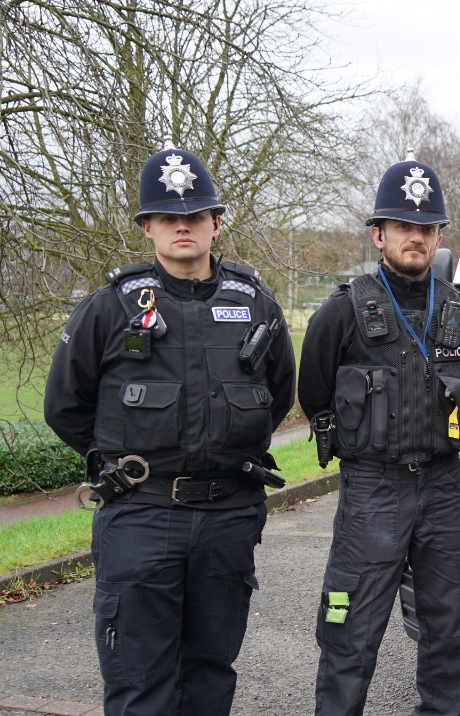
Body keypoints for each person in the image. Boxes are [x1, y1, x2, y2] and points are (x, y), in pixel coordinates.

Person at [44, 141, 295, 716]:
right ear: (147, 228)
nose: (183, 226)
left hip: (228, 517)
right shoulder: (110, 307)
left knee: (210, 677)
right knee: (140, 685)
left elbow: (277, 395)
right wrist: (123, 461)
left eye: (196, 215)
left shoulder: (256, 304)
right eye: (167, 217)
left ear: (216, 223)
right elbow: (65, 405)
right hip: (140, 515)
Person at [300, 152, 460, 716]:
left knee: (451, 627)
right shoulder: (342, 312)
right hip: (372, 489)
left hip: (442, 488)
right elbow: (315, 393)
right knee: (350, 632)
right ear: (378, 234)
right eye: (403, 226)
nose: (416, 237)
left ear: (439, 238)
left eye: (427, 228)